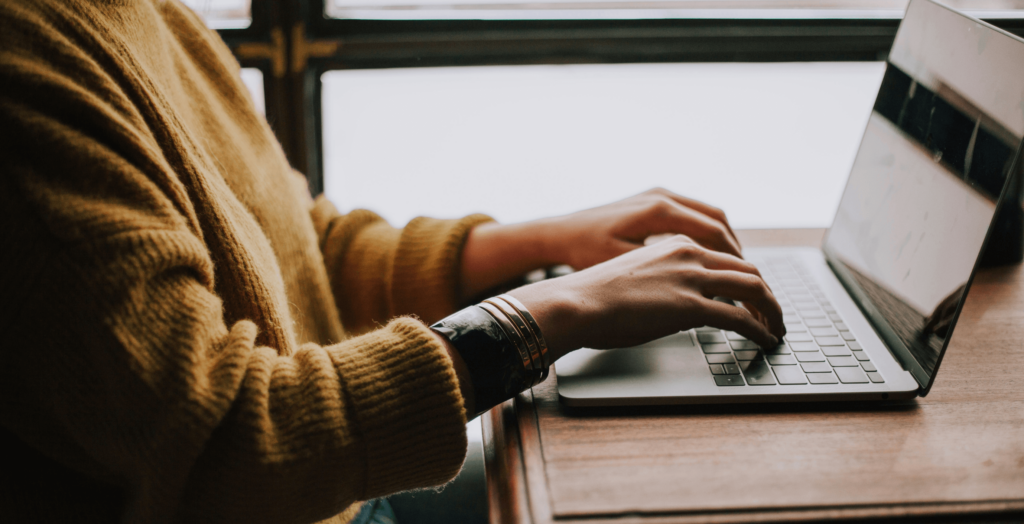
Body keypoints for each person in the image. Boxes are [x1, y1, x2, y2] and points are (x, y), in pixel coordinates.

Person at [0, 0, 784, 523]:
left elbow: (297, 249)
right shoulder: (27, 79)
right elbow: (228, 445)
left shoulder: (140, 12)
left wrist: (542, 242)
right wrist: (553, 312)